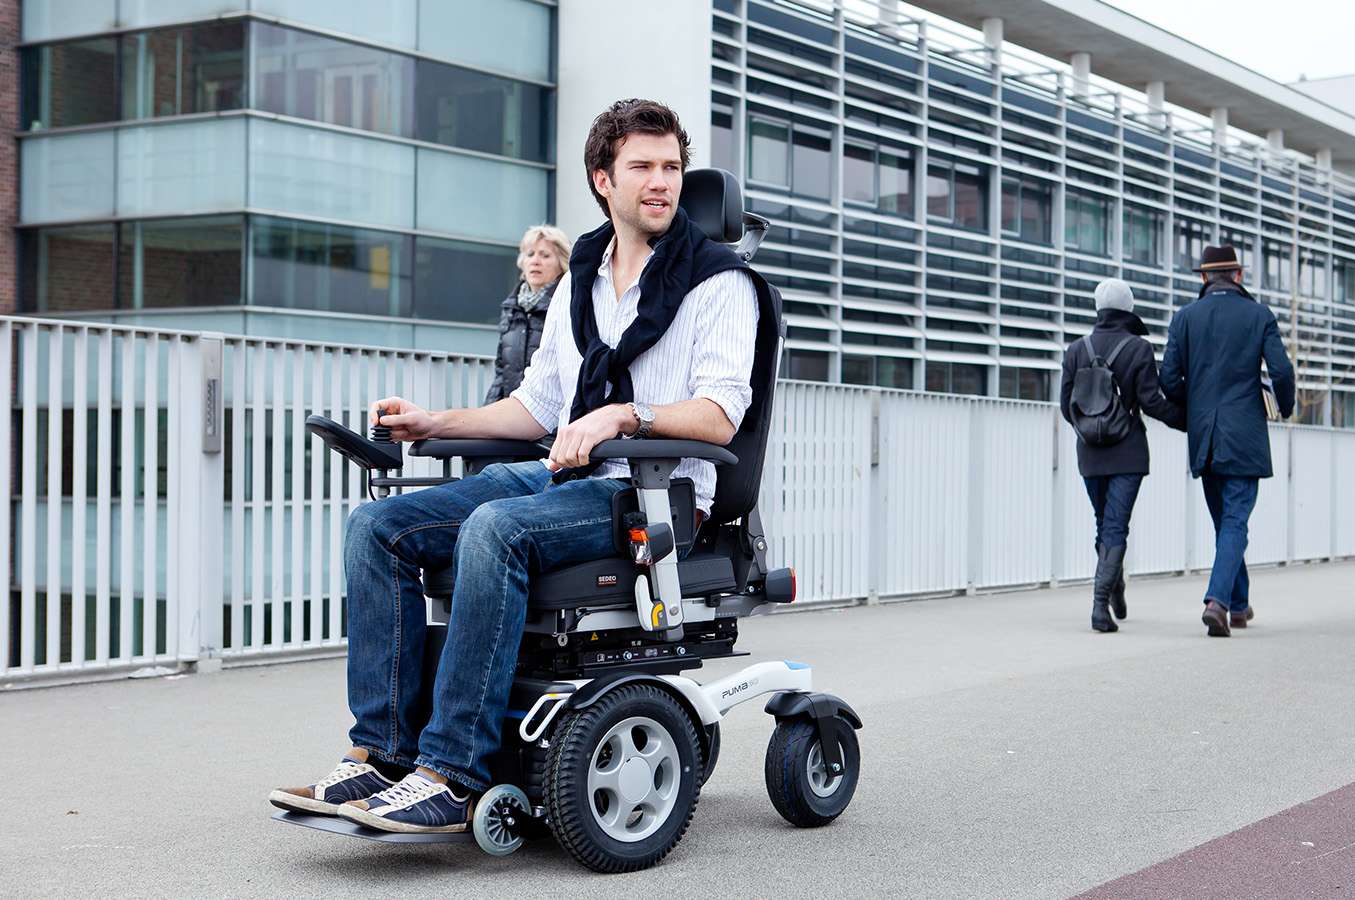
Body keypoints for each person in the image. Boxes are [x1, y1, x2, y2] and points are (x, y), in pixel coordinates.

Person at [269, 98, 766, 833]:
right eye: (643, 167)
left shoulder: (719, 283)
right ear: (604, 178)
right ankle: (382, 753)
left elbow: (720, 414)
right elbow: (536, 409)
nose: (661, 182)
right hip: (566, 480)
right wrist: (434, 422)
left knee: (495, 526)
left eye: (671, 167)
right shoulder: (581, 278)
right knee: (377, 526)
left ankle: (449, 771)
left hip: (652, 496)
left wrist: (624, 415)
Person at [1159, 245, 1295, 637]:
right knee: (1234, 521)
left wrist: (1198, 408)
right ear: (1237, 276)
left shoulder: (1183, 318)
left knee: (1226, 523)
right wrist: (1284, 408)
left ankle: (1238, 604)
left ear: (1204, 278)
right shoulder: (1259, 315)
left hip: (1205, 437)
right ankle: (1217, 602)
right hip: (1245, 434)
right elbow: (1282, 372)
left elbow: (1169, 379)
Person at [1061, 279, 1185, 633]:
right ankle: (1101, 605)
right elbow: (1152, 402)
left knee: (1104, 523)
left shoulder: (1075, 350)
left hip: (1089, 452)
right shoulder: (1138, 348)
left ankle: (1113, 588)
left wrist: (1091, 429)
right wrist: (1188, 421)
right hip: (1128, 452)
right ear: (1129, 309)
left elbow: (1065, 407)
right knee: (1115, 524)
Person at [483, 225, 572, 405]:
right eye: (530, 254)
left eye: (545, 255)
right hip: (512, 414)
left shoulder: (568, 305)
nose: (535, 261)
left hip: (550, 418)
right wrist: (488, 412)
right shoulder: (512, 307)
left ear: (561, 263)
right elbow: (502, 371)